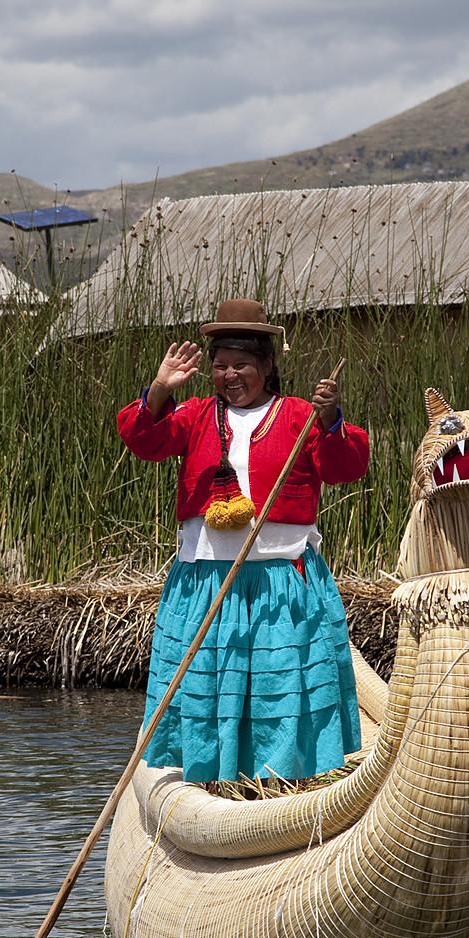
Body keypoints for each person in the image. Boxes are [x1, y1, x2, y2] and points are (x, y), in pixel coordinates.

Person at [116, 299, 370, 783]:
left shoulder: (298, 415)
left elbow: (346, 466)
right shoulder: (193, 415)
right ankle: (212, 781)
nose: (229, 375)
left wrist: (332, 418)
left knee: (280, 686)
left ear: (268, 366)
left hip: (281, 583)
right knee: (209, 684)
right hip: (207, 582)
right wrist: (158, 390)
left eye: (241, 366)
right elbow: (143, 439)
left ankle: (282, 783)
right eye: (219, 366)